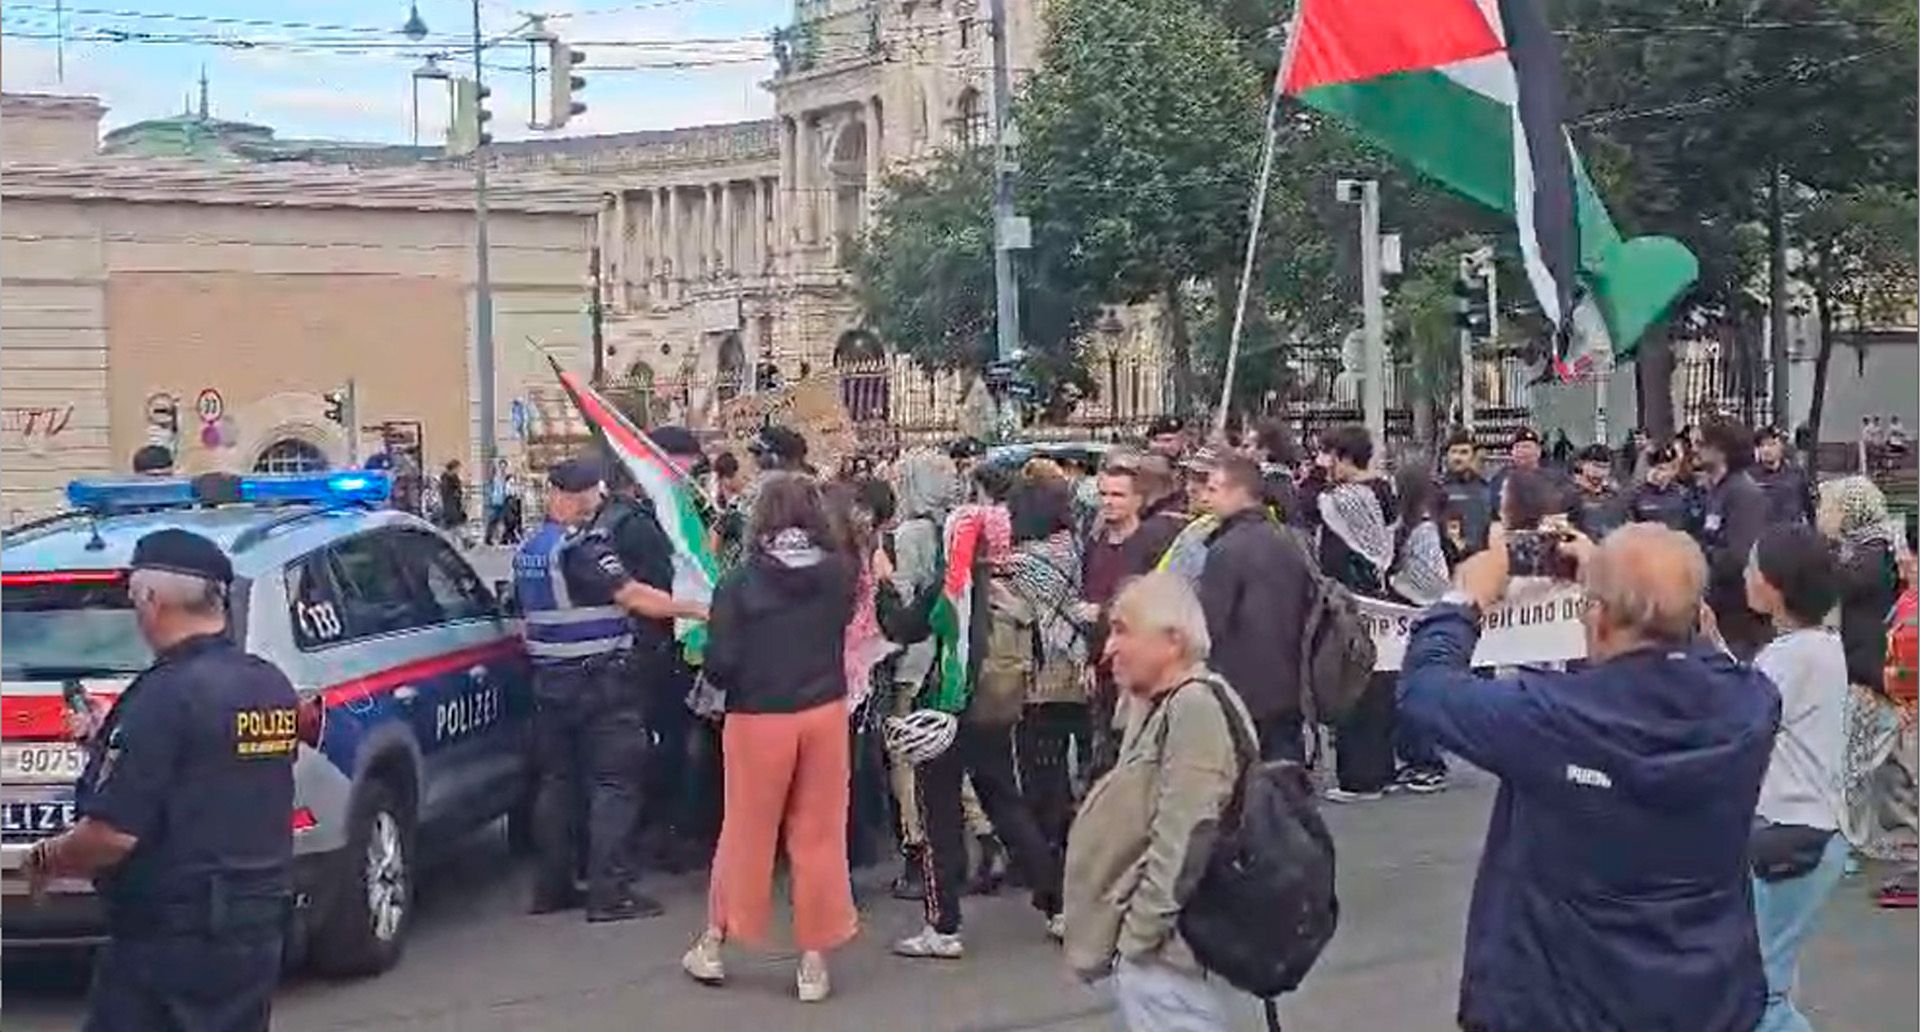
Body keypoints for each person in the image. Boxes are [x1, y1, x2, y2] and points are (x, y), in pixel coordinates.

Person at [1398, 523, 1778, 1032]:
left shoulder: (1551, 716)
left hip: (1562, 1002)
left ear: (1596, 619)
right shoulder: (1751, 706)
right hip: (1706, 997)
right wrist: (1642, 591)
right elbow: (1712, 656)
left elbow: (1426, 691)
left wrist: (1463, 599)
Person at [24, 529, 302, 1031]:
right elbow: (214, 771)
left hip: (170, 943)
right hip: (253, 931)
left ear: (150, 599)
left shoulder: (163, 697)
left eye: (133, 596)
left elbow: (112, 836)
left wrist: (48, 858)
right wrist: (105, 741)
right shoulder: (269, 684)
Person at [682, 473, 858, 1003]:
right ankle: (813, 964)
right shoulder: (839, 574)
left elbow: (721, 661)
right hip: (825, 710)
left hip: (758, 718)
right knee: (820, 836)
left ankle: (714, 943)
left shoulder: (738, 582)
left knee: (746, 830)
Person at [514, 457, 706, 922]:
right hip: (600, 683)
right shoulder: (582, 547)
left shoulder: (530, 548)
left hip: (550, 684)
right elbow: (634, 596)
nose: (598, 503)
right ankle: (610, 891)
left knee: (557, 785)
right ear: (579, 495)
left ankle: (552, 887)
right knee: (615, 785)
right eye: (594, 495)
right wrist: (700, 608)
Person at [1061, 571, 1254, 1032]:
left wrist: (1139, 936)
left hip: (1171, 957)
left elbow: (1185, 836)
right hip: (1163, 954)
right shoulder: (1163, 705)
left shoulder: (1194, 708)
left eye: (1123, 630)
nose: (1109, 648)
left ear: (1172, 641)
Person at [884, 504, 1064, 961]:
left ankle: (942, 924)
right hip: (996, 708)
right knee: (1007, 804)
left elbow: (902, 628)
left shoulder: (951, 589)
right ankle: (1058, 905)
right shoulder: (1018, 581)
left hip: (946, 711)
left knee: (939, 818)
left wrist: (885, 588)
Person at [1741, 524, 1848, 1032]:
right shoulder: (1821, 646)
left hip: (1786, 832)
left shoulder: (1787, 656)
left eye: (1753, 565)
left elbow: (1734, 719)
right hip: (1816, 830)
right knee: (1774, 973)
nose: (1745, 573)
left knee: (1760, 993)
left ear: (1775, 585)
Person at [593, 441, 697, 877]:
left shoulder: (606, 520)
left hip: (617, 651)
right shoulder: (638, 526)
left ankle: (631, 845)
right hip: (650, 648)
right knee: (663, 748)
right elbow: (661, 587)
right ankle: (659, 841)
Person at [1817, 477, 1913, 867]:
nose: (1824, 515)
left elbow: (1835, 585)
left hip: (1870, 671)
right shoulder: (1874, 548)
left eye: (1831, 507)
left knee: (1856, 762)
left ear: (1850, 511)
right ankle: (1898, 837)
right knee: (1887, 764)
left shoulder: (1869, 555)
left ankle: (1855, 842)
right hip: (1878, 669)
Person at [1196, 455, 1313, 763]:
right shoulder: (1290, 539)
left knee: (1249, 768)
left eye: (1213, 489)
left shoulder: (1226, 549)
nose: (1205, 497)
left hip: (1242, 682)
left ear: (1239, 491)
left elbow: (1211, 623)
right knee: (1285, 764)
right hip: (1291, 676)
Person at [880, 449, 960, 900]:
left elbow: (906, 596)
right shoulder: (953, 526)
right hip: (946, 651)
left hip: (914, 654)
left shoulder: (910, 533)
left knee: (906, 754)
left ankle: (915, 845)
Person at [1308, 425, 1398, 803]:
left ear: (1343, 457)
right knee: (1377, 685)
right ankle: (1380, 770)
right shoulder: (1385, 490)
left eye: (1328, 455)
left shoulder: (1347, 497)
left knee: (1353, 683)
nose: (1323, 463)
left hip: (1354, 602)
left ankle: (1360, 777)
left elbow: (1309, 502)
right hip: (1378, 604)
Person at [1081, 451, 1185, 778]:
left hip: (1139, 666)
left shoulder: (1150, 545)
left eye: (1118, 495)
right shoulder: (1093, 542)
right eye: (1104, 494)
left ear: (1138, 499)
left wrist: (1104, 612)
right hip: (1102, 666)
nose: (1109, 502)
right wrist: (1089, 658)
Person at [1004, 475, 1091, 857]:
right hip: (1078, 660)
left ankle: (1048, 841)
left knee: (1042, 763)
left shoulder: (1019, 562)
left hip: (1041, 669)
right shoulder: (1075, 547)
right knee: (1077, 756)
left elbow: (1020, 612)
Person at [1385, 463, 1452, 793]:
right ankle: (1414, 757)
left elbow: (1433, 580)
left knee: (1417, 689)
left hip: (1419, 615)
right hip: (1405, 617)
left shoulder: (1423, 530)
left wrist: (1396, 580)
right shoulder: (1405, 525)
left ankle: (1428, 760)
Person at [1696, 418, 1772, 660]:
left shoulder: (1744, 494)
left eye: (1701, 443)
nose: (1694, 449)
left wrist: (1699, 559)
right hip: (1717, 607)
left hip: (1739, 616)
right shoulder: (1716, 491)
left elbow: (1741, 555)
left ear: (1721, 450)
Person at [1487, 427, 1571, 520]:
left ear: (1538, 451)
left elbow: (1567, 504)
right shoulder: (1501, 477)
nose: (1520, 451)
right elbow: (1492, 506)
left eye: (1526, 447)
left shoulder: (1555, 477)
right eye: (1516, 447)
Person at [1439, 428, 1494, 557]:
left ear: (1473, 456)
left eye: (1464, 452)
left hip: (1480, 563)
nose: (1457, 457)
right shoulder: (1437, 489)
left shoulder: (1486, 489)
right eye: (1453, 452)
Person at [1627, 440, 1698, 533]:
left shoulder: (1683, 496)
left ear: (1673, 470)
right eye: (1652, 468)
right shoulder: (1637, 496)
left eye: (1662, 469)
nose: (1656, 473)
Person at [1751, 425, 1816, 526]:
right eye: (1762, 446)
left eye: (1771, 444)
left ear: (1781, 446)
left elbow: (1808, 508)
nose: (1766, 450)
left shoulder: (1795, 473)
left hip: (1793, 534)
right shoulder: (1751, 477)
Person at [1569, 443, 1627, 540]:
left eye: (1605, 467)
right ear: (1581, 464)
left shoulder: (1615, 496)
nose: (1600, 472)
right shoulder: (1569, 494)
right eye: (1595, 466)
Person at [437, 460, 467, 534]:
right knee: (453, 520)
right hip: (450, 502)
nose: (459, 470)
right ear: (454, 468)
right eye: (458, 468)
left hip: (456, 502)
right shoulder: (446, 479)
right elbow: (446, 492)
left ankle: (452, 535)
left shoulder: (454, 477)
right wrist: (456, 493)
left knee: (456, 520)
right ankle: (448, 536)